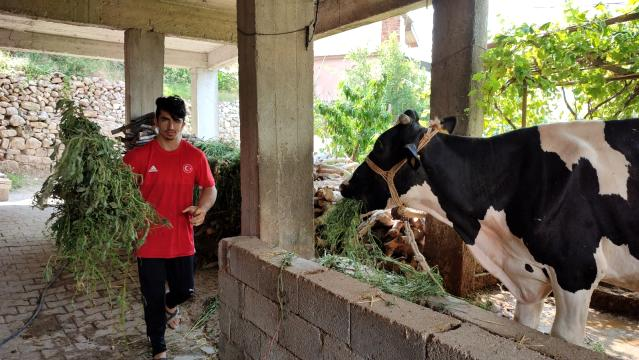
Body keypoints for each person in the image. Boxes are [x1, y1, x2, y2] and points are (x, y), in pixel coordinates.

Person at [123, 95, 217, 360]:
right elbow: (119, 191)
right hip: (148, 242)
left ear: (184, 124)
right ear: (156, 121)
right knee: (151, 299)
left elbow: (210, 187)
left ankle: (171, 304)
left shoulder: (194, 157)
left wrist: (203, 208)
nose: (170, 126)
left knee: (185, 290)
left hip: (181, 239)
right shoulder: (138, 157)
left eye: (177, 120)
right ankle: (159, 348)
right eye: (165, 119)